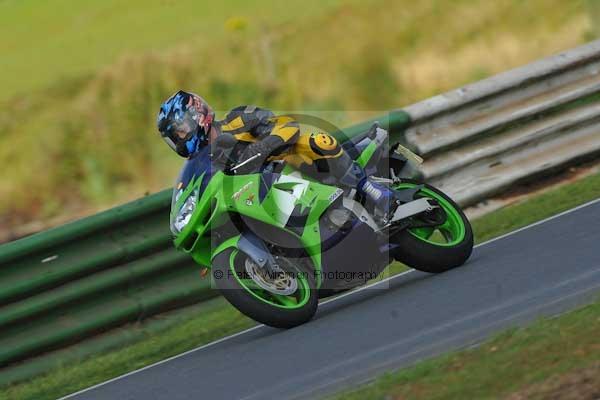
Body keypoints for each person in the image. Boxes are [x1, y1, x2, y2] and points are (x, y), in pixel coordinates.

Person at [157, 90, 398, 223]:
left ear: (197, 115)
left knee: (313, 141)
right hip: (264, 197)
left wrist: (264, 147)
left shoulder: (237, 118)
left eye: (180, 130)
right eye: (174, 137)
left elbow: (285, 125)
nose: (179, 139)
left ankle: (371, 190)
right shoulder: (202, 165)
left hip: (295, 169)